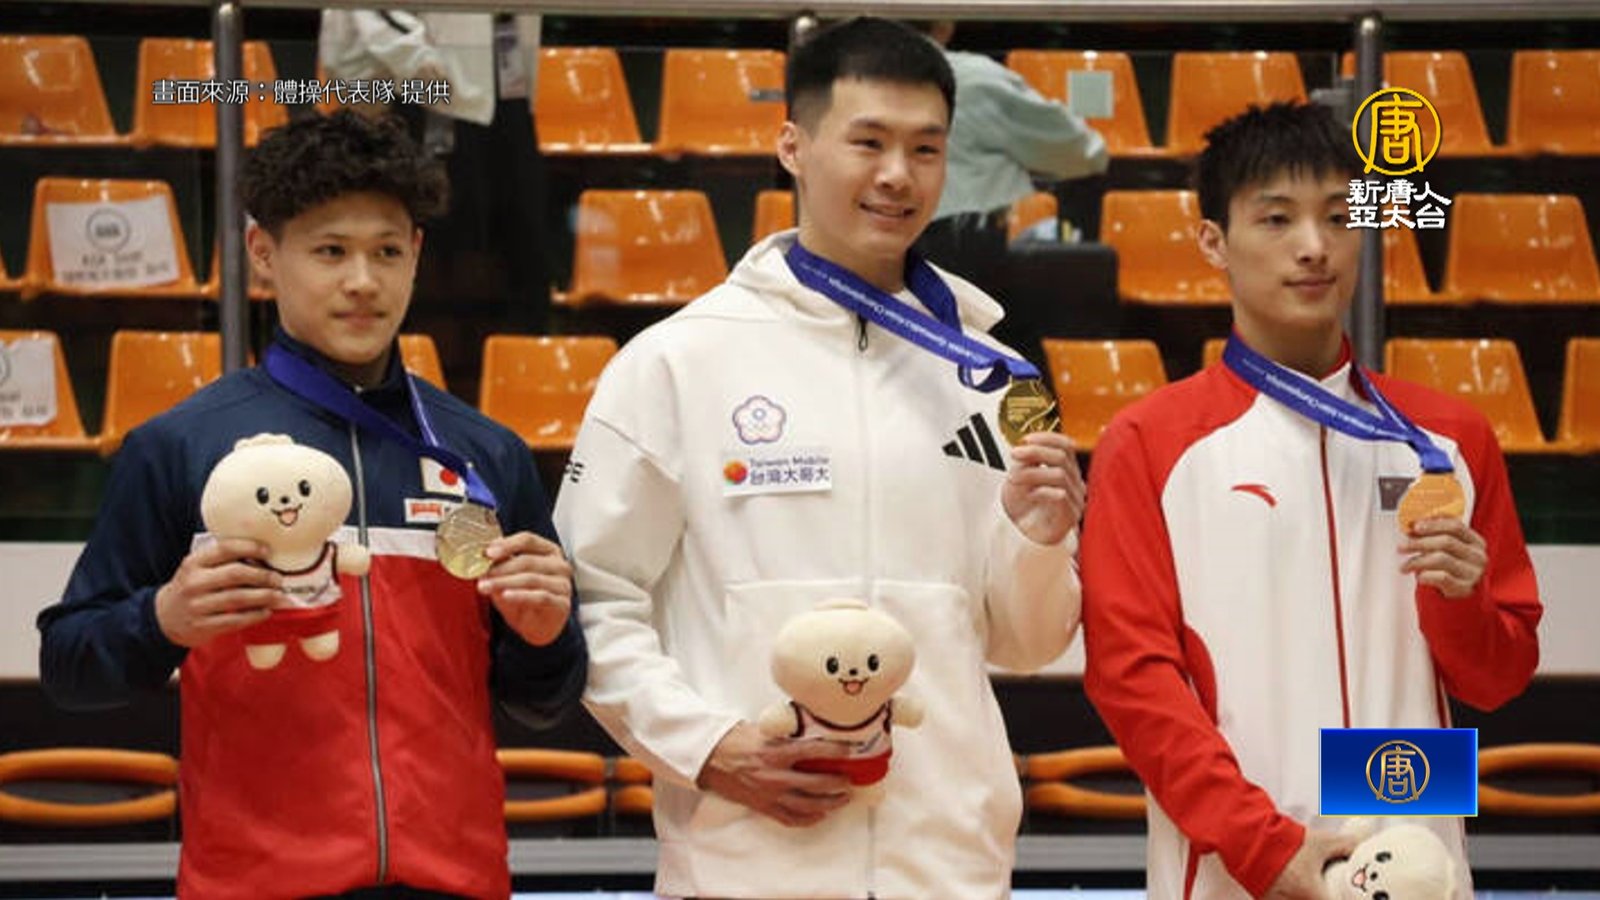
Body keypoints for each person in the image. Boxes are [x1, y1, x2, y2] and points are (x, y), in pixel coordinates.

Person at [552, 17, 1084, 900]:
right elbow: (595, 596)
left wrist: (1039, 541)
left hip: (947, 866)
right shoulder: (678, 361)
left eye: (925, 149)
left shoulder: (994, 375)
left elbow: (1026, 643)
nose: (897, 174)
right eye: (867, 142)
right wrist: (705, 746)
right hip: (745, 864)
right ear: (793, 146)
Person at [36, 110, 586, 900]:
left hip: (456, 880)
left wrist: (544, 637)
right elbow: (69, 666)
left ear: (416, 254)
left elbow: (544, 698)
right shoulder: (181, 446)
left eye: (386, 251)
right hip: (255, 884)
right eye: (330, 251)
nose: (362, 280)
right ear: (264, 253)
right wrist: (162, 621)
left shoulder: (482, 454)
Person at [1079, 102, 1542, 900]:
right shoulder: (1150, 443)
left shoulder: (1448, 439)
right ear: (1213, 242)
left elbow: (1499, 677)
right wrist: (1265, 847)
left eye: (1339, 217)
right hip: (1238, 872)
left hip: (1418, 862)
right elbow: (1133, 680)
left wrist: (1461, 601)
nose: (1314, 246)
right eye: (1277, 218)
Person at [913, 19, 1108, 286]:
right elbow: (1084, 152)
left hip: (871, 245)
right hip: (960, 251)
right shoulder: (976, 78)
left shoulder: (851, 77)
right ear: (944, 27)